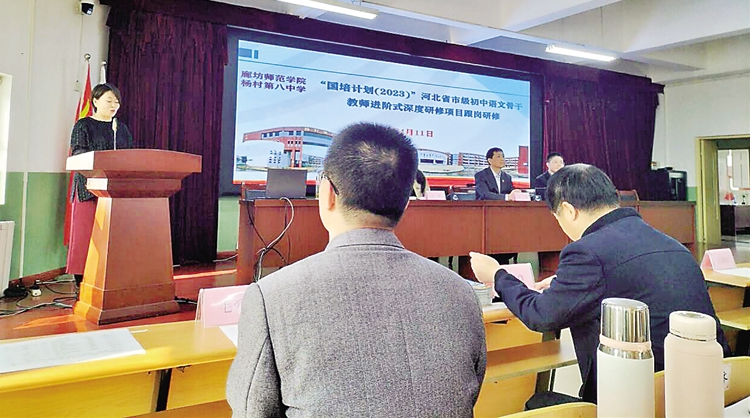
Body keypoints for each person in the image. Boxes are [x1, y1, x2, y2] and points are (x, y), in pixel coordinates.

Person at [226, 122, 487, 418]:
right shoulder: (459, 291)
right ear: (406, 203)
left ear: (328, 194)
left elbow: (252, 410)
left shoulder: (271, 297)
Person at [469, 164, 730, 404]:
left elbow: (541, 316)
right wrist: (563, 284)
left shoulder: (587, 251)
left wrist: (498, 275)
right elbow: (629, 280)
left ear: (568, 210)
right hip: (711, 391)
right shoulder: (671, 244)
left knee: (538, 402)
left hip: (643, 400)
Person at [67, 83, 133, 287]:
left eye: (117, 102)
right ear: (95, 101)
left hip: (115, 191)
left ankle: (111, 278)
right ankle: (82, 280)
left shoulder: (121, 128)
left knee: (113, 237)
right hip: (87, 188)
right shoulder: (83, 125)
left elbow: (130, 155)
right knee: (85, 236)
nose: (114, 105)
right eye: (109, 100)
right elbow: (78, 153)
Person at [473, 147, 521, 265]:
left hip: (503, 217)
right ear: (489, 160)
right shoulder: (481, 175)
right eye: (498, 156)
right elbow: (484, 194)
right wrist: (506, 197)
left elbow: (510, 193)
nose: (502, 159)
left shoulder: (507, 177)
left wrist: (516, 193)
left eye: (503, 156)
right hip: (485, 216)